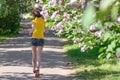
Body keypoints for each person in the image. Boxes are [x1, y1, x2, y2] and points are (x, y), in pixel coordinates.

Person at [29, 9, 48, 77]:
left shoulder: (33, 21)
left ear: (34, 15)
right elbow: (46, 31)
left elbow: (32, 30)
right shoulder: (43, 21)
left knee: (34, 55)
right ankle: (38, 69)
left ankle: (34, 69)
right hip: (41, 38)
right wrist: (43, 29)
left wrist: (30, 32)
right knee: (39, 55)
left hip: (34, 38)